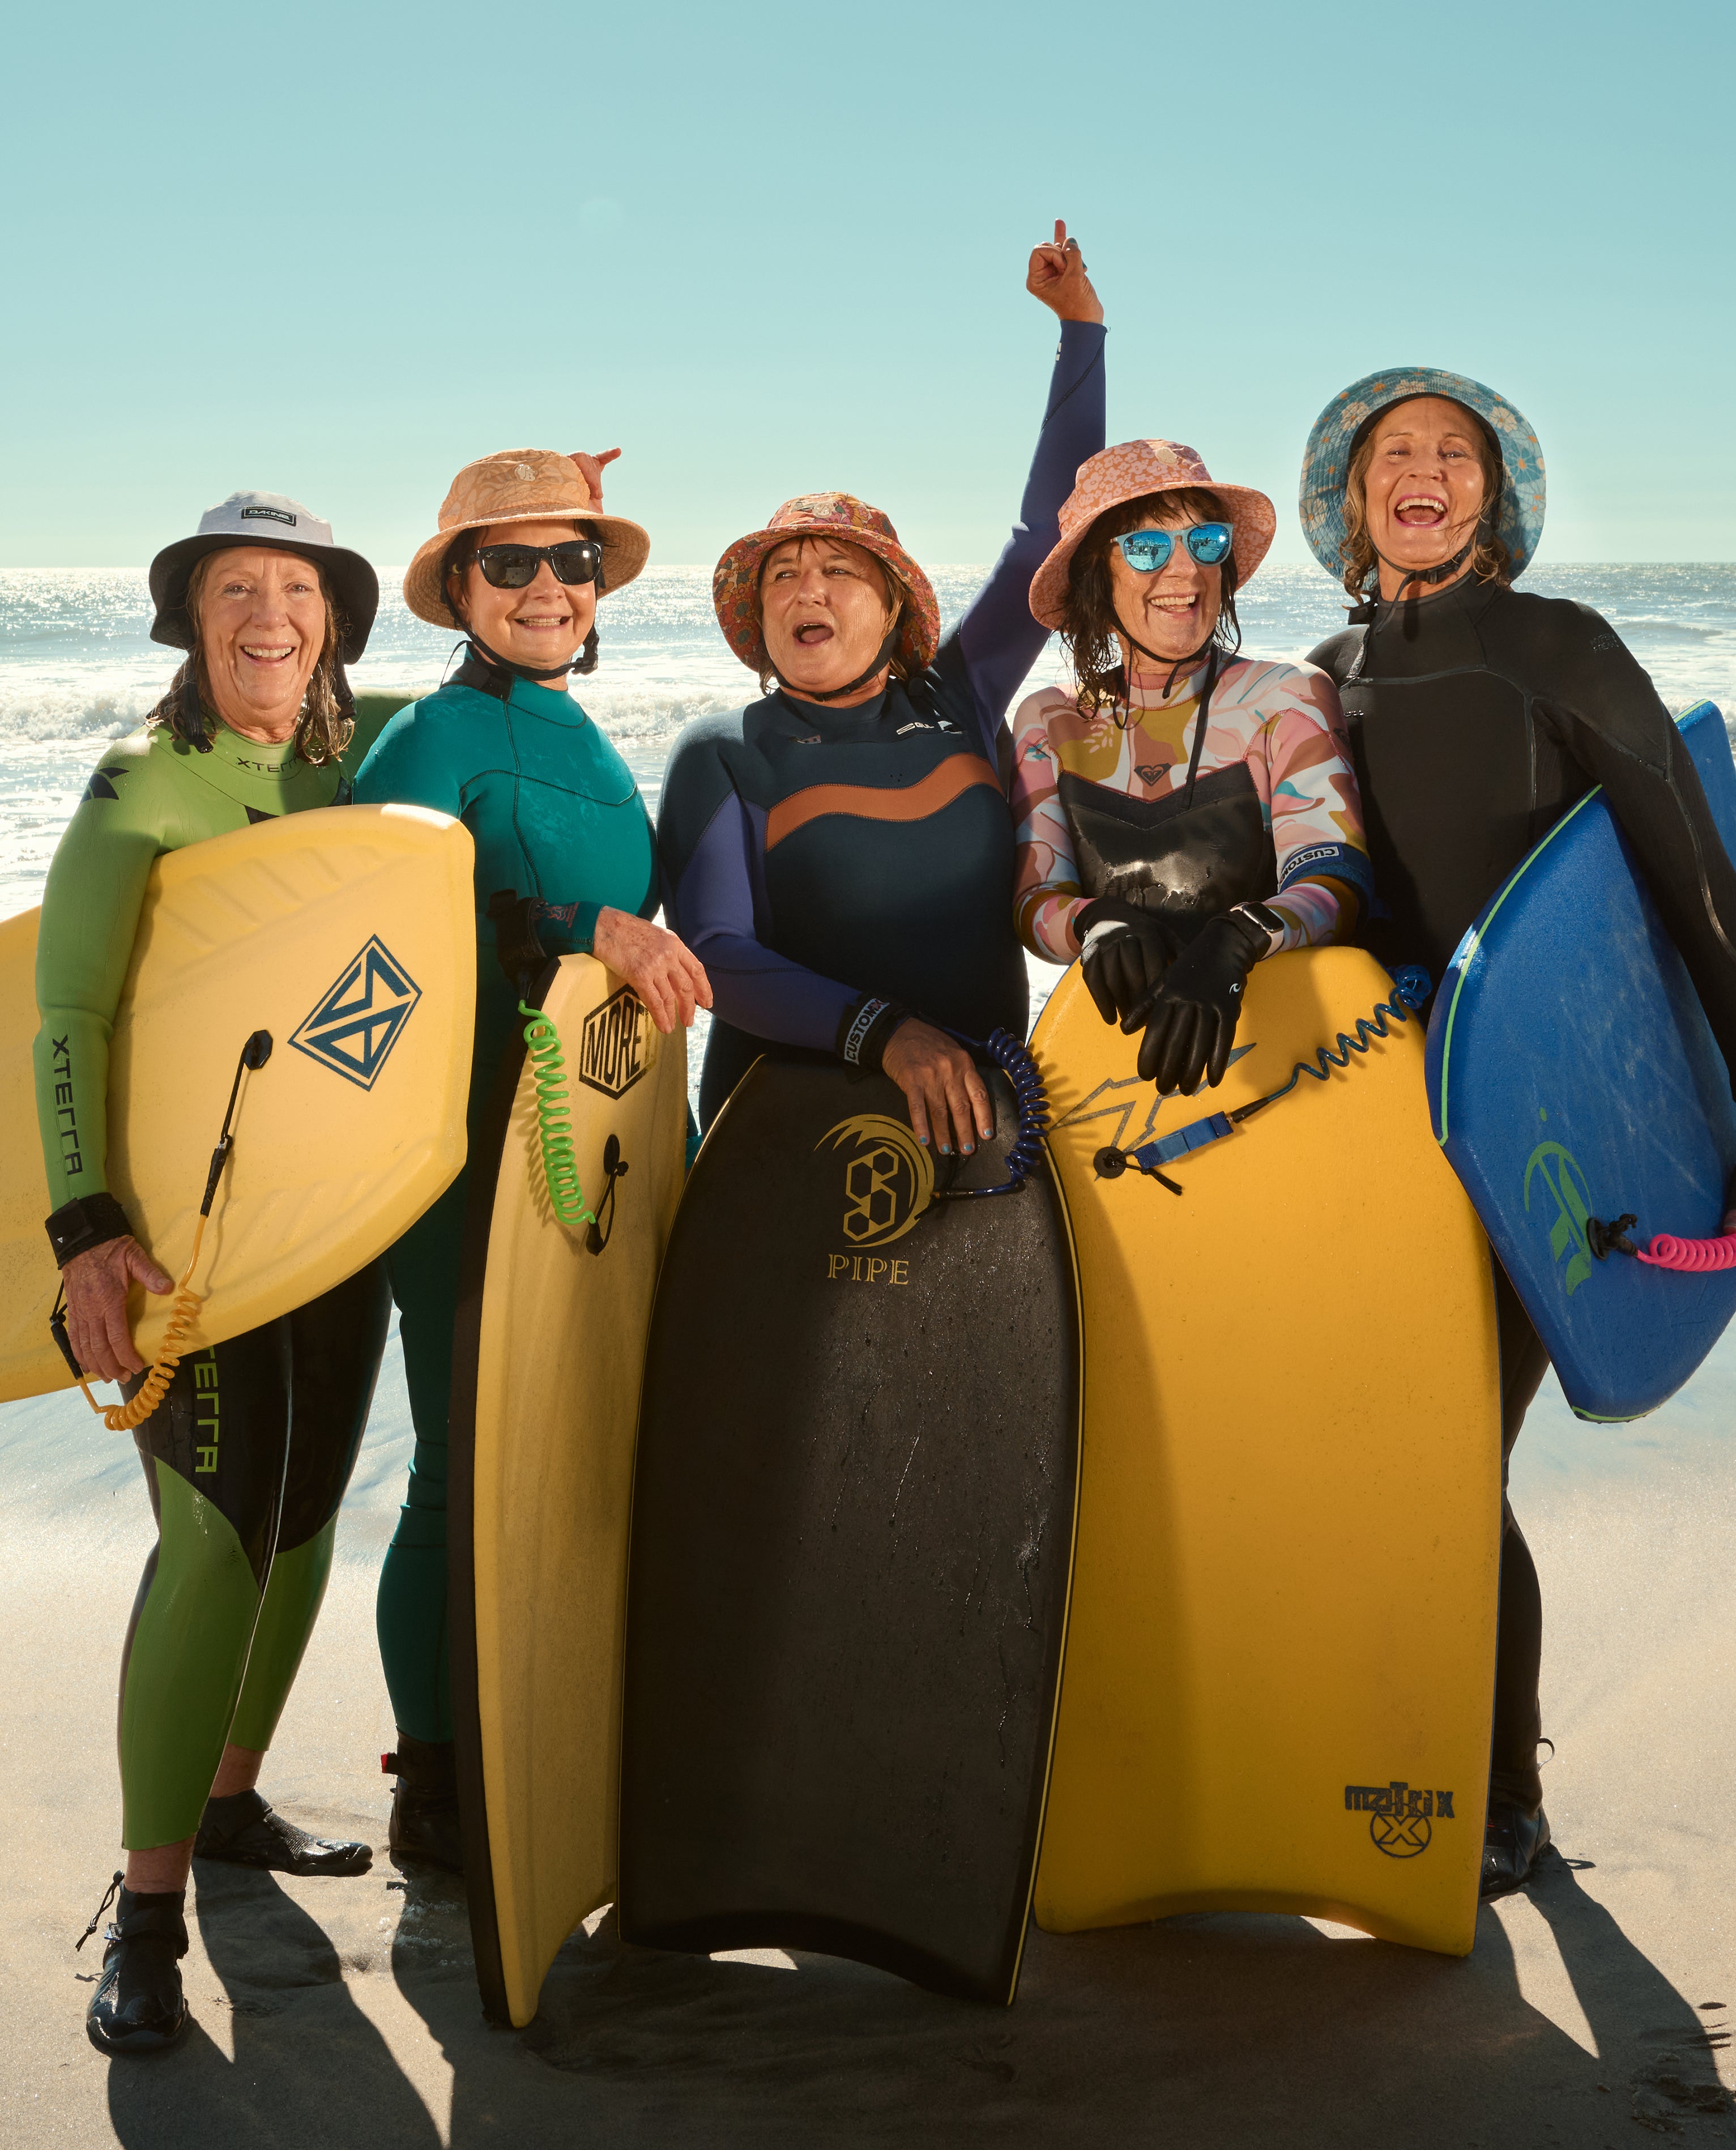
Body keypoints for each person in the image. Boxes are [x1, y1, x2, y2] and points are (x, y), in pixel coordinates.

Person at [1298, 368, 1736, 1895]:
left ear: (1499, 493)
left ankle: (1498, 1790)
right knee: (1382, 1454)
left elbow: (1692, 883)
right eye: (1392, 454)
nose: (1423, 473)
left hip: (1543, 1116)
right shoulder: (1321, 668)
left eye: (1455, 455)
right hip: (1375, 1123)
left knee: (1446, 1449)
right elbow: (1314, 883)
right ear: (1346, 498)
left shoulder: (1557, 644)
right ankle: (1409, 1758)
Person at [38, 493, 393, 2055]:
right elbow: (69, 1016)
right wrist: (82, 1228)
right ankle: (149, 1908)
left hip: (340, 1216)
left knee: (307, 1516)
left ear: (334, 618)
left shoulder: (353, 754)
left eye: (296, 591)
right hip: (193, 1239)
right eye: (235, 590)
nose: (268, 616)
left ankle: (233, 1797)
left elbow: (497, 699)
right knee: (211, 1535)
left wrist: (541, 542)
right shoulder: (142, 784)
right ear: (190, 616)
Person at [355, 448, 710, 1872]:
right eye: (511, 564)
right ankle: (429, 1773)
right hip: (465, 1151)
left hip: (603, 1145)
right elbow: (363, 921)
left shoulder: (588, 738)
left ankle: (558, 1726)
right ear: (460, 589)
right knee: (457, 1463)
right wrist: (568, 923)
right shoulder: (432, 738)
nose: (548, 587)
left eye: (571, 563)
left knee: (585, 1453)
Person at [656, 223, 1105, 1154]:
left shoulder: (961, 700)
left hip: (984, 1124)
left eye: (838, 571)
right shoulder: (727, 753)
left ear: (894, 609)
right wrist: (889, 1034)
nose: (806, 589)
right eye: (782, 574)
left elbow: (1045, 535)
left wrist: (1082, 332)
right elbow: (719, 955)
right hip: (785, 1137)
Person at [1012, 440, 1370, 1088]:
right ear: (1097, 574)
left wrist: (1240, 938)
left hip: (1288, 1057)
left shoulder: (1285, 696)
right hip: (1112, 1064)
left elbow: (1334, 880)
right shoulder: (1048, 722)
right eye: (1146, 548)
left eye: (1205, 542)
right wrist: (1093, 922)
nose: (1185, 572)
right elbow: (1034, 902)